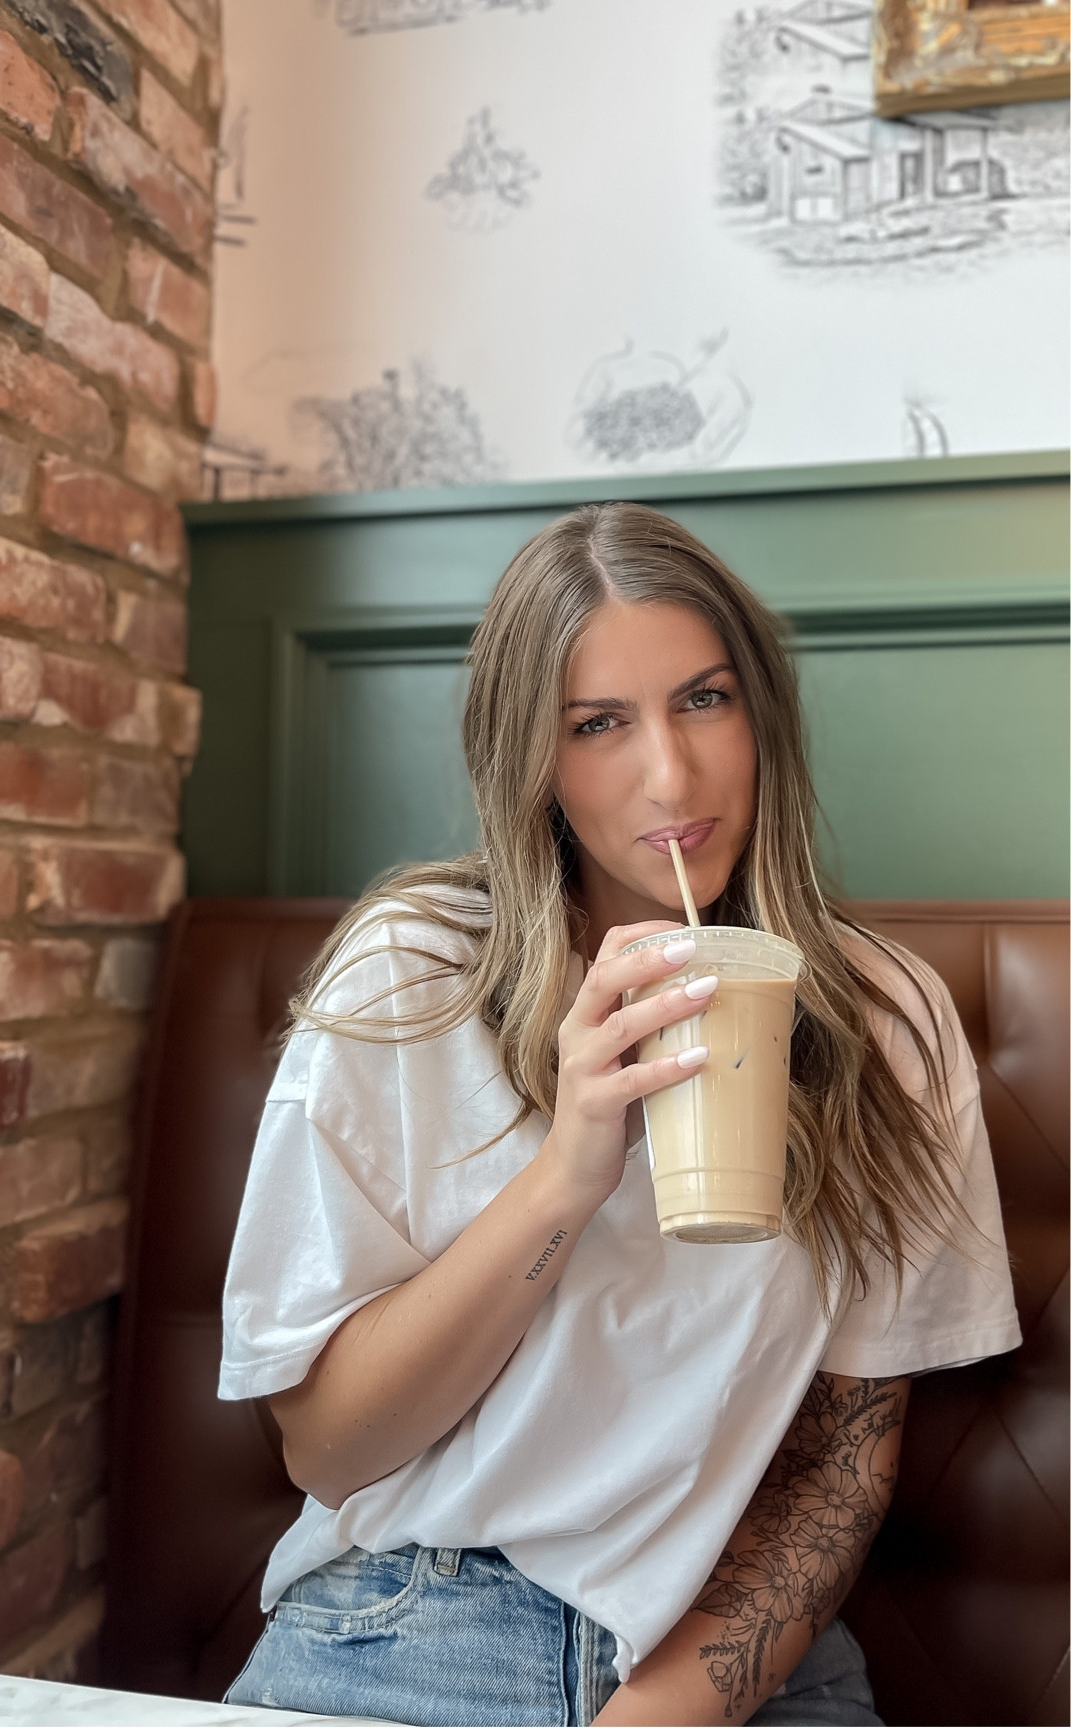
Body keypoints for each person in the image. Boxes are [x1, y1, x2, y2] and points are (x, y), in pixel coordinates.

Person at [219, 503, 1020, 1727]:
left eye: (704, 700)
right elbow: (326, 1453)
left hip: (738, 1660)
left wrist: (657, 1714)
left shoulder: (887, 1021)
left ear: (762, 713)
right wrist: (568, 1171)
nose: (671, 774)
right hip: (415, 1626)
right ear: (533, 760)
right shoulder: (414, 974)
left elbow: (840, 1466)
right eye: (598, 724)